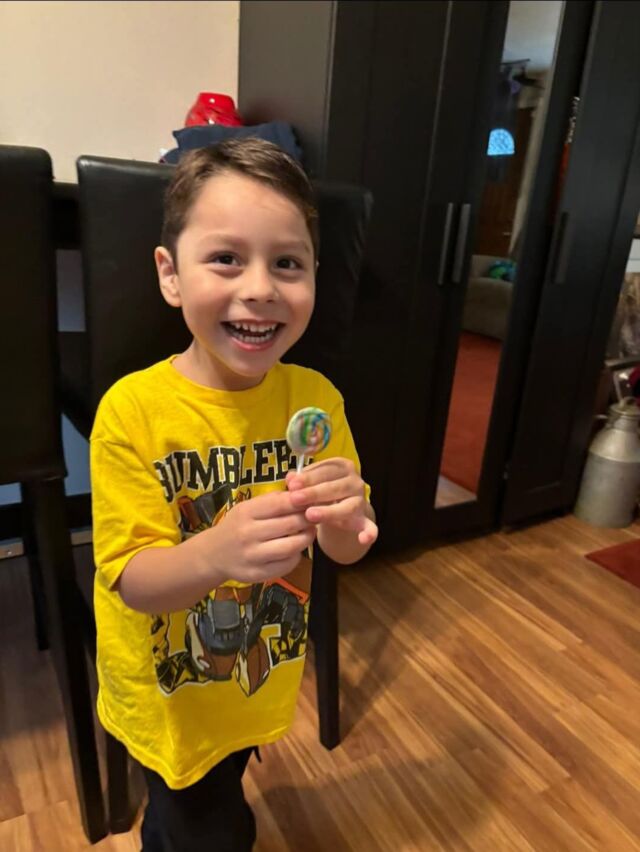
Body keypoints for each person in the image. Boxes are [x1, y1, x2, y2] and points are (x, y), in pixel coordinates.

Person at [90, 138, 377, 852]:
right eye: (226, 258)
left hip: (253, 677)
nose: (260, 288)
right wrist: (216, 553)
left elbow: (346, 548)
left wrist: (348, 515)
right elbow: (132, 580)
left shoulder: (315, 400)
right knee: (200, 825)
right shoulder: (132, 413)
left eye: (287, 263)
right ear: (171, 275)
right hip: (171, 698)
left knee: (216, 798)